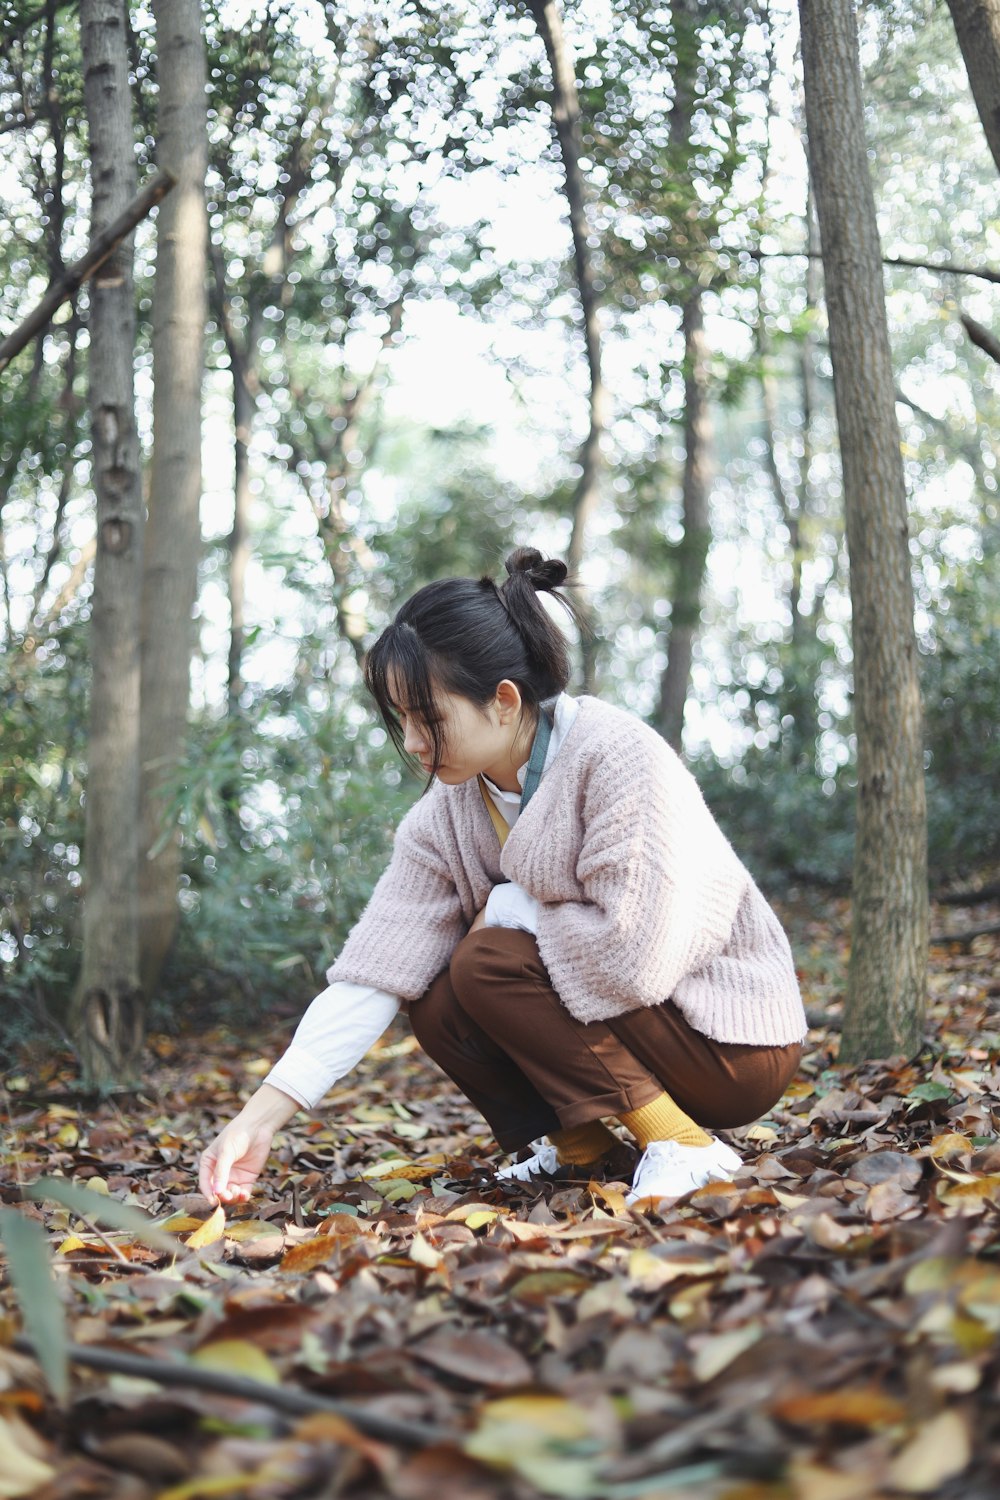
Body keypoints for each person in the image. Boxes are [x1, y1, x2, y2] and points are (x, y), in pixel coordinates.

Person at [199, 547, 807, 1210]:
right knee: (433, 990)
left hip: (728, 1044)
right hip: (643, 1040)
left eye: (428, 718)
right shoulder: (445, 815)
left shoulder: (616, 755)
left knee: (486, 956)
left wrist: (512, 907)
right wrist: (254, 1121)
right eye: (400, 719)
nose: (412, 743)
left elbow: (635, 957)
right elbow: (373, 973)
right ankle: (585, 1150)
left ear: (504, 701)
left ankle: (684, 1145)